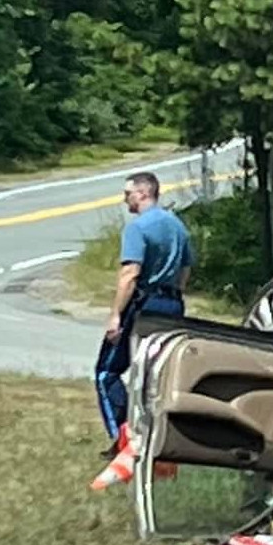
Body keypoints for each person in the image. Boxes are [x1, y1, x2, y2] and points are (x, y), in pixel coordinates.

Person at [91, 171, 193, 485]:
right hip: (173, 304)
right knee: (153, 375)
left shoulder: (137, 228)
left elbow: (130, 274)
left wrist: (115, 316)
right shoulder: (177, 226)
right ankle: (158, 441)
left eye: (128, 193)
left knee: (107, 372)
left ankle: (125, 439)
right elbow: (186, 269)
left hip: (143, 305)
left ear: (143, 193)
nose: (125, 199)